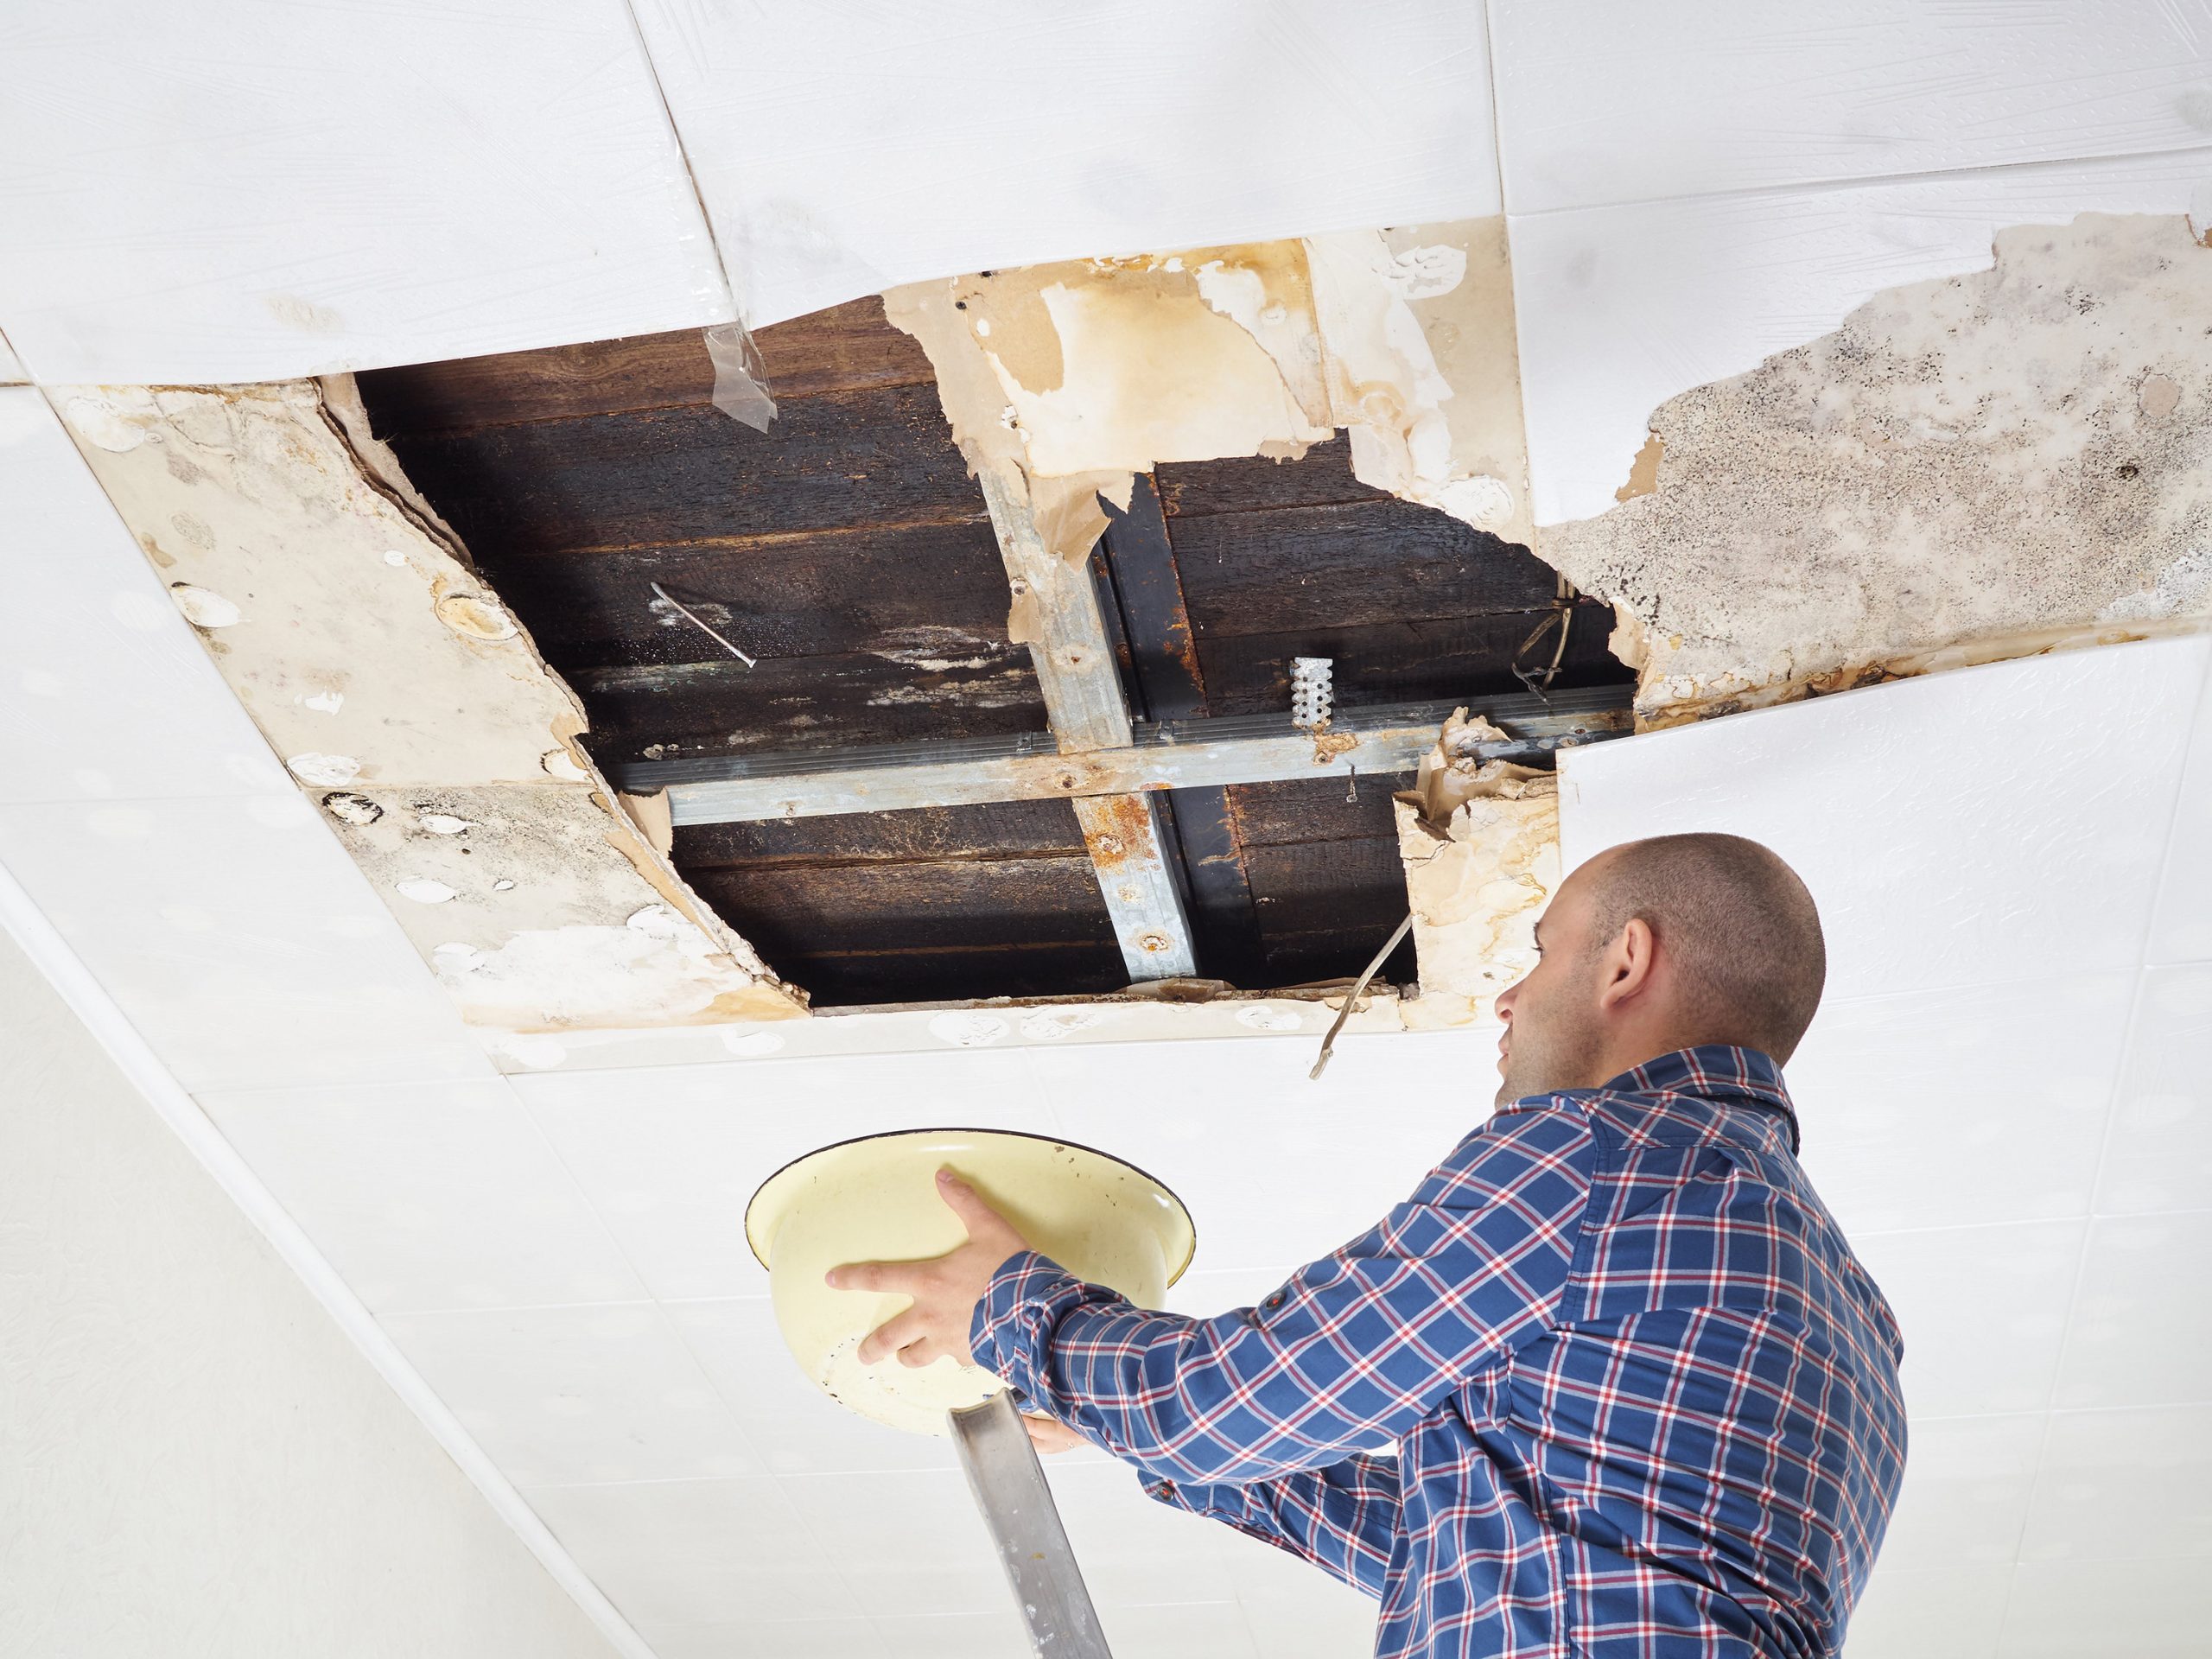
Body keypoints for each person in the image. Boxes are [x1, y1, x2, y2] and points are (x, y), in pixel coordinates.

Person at [830, 832, 1907, 1658]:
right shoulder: (1850, 1310)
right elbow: (1468, 1545)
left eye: (1541, 955)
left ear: (1626, 962)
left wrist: (1011, 1310)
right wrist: (1135, 1433)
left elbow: (1235, 1405)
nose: (1509, 996)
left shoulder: (1596, 1163)